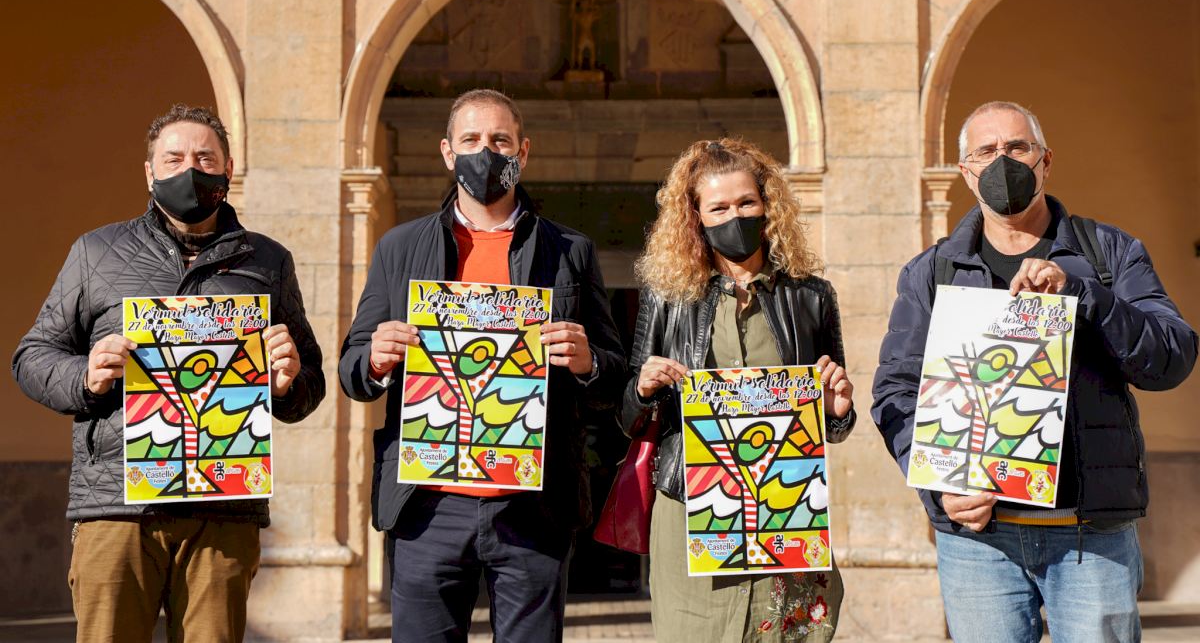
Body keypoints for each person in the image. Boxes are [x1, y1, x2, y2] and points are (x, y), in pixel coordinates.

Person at [872, 101, 1197, 643]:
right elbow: (896, 391)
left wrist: (1083, 295)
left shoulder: (1108, 254)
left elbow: (1173, 356)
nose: (1003, 161)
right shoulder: (932, 272)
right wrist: (938, 488)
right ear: (966, 172)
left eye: (1017, 147)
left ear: (1046, 161)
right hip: (978, 544)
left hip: (1090, 537)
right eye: (986, 151)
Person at [12, 104, 325, 643]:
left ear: (229, 169)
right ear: (149, 172)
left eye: (205, 158)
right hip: (116, 506)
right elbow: (32, 356)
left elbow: (309, 380)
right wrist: (86, 375)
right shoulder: (95, 252)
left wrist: (288, 382)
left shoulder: (269, 261)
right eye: (174, 159)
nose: (190, 170)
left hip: (223, 510)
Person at [338, 89, 626, 643]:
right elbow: (353, 369)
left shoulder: (570, 251)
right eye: (470, 140)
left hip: (532, 507)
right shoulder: (399, 247)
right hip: (427, 505)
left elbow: (614, 379)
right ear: (448, 152)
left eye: (500, 140)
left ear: (524, 151)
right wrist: (374, 359)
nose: (485, 152)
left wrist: (589, 361)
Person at [618, 138, 856, 643]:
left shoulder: (812, 297)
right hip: (690, 508)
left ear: (768, 205)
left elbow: (832, 427)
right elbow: (629, 420)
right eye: (719, 207)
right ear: (696, 218)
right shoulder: (667, 298)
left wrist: (836, 410)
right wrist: (642, 389)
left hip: (785, 508)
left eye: (746, 202)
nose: (735, 216)